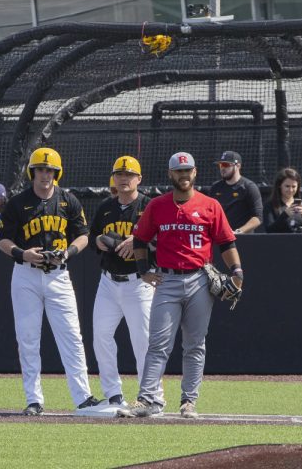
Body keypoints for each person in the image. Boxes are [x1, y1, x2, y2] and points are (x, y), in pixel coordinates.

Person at [118, 152, 242, 419]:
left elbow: (226, 242)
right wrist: (143, 272)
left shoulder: (210, 205)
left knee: (195, 344)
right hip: (167, 279)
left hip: (200, 279)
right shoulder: (158, 205)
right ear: (170, 174)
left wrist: (237, 271)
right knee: (159, 343)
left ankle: (188, 401)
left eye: (187, 171)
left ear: (194, 173)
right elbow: (140, 239)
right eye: (178, 171)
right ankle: (147, 399)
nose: (183, 175)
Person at [0, 147, 101, 415]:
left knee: (72, 337)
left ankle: (83, 397)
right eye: (41, 169)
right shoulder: (18, 203)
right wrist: (23, 253)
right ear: (32, 172)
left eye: (50, 170)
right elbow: (3, 240)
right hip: (26, 275)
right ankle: (34, 399)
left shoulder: (68, 200)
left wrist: (68, 252)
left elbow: (83, 235)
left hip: (58, 275)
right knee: (28, 338)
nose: (45, 174)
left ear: (57, 173)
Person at [90, 156, 160, 407]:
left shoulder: (150, 206)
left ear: (139, 179)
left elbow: (162, 240)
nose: (123, 178)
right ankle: (113, 395)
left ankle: (151, 396)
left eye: (129, 174)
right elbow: (92, 237)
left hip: (138, 281)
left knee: (143, 340)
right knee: (101, 336)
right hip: (108, 282)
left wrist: (138, 241)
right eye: (119, 174)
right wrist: (98, 240)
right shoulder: (106, 207)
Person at [209, 151, 263, 233]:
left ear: (238, 166)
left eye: (226, 165)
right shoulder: (215, 187)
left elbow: (258, 218)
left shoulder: (249, 187)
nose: (222, 168)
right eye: (221, 165)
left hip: (243, 239)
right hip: (220, 238)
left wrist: (239, 231)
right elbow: (209, 214)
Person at [264, 167, 302, 233]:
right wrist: (285, 215)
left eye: (294, 186)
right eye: (287, 186)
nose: (290, 190)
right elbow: (269, 230)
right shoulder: (270, 205)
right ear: (279, 185)